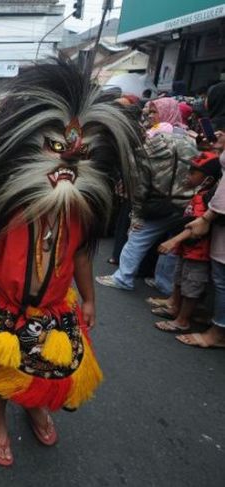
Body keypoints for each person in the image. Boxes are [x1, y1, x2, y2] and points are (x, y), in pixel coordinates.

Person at [0, 58, 140, 466]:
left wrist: (90, 298)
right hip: (4, 304)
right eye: (57, 150)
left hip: (54, 310)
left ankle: (35, 403)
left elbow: (80, 255)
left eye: (77, 156)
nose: (66, 165)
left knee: (45, 368)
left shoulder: (80, 210)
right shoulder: (2, 207)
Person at [97, 97, 198, 293]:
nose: (150, 117)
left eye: (154, 112)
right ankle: (164, 284)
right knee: (173, 248)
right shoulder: (190, 140)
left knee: (137, 239)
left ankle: (123, 278)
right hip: (185, 203)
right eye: (149, 112)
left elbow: (140, 184)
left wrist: (136, 213)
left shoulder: (150, 145)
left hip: (157, 203)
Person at [155, 152, 221, 332]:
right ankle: (175, 307)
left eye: (193, 173)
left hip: (198, 252)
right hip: (187, 249)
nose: (188, 175)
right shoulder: (201, 193)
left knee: (191, 286)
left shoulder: (210, 199)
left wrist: (174, 241)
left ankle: (182, 320)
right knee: (180, 278)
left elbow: (199, 226)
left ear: (208, 179)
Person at [180, 146, 225, 348]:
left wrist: (207, 217)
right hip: (217, 216)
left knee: (221, 280)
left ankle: (218, 332)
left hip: (216, 215)